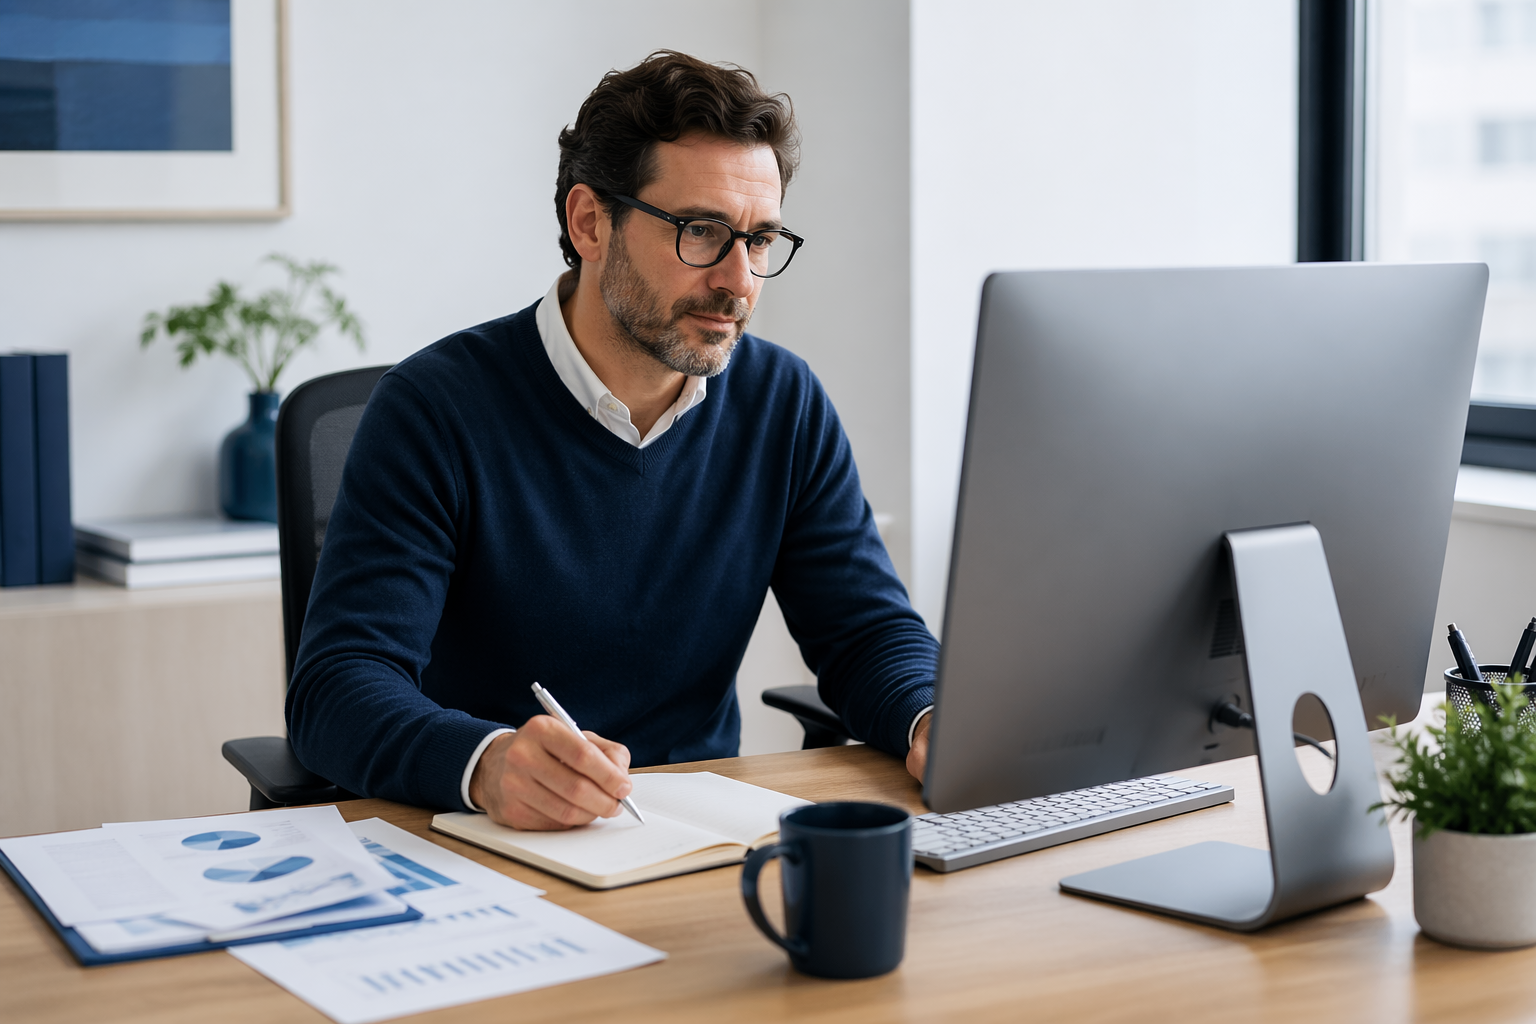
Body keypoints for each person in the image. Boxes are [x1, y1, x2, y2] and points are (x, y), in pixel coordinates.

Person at [287, 50, 939, 831]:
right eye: (702, 232)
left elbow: (866, 632)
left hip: (696, 840)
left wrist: (931, 719)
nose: (739, 280)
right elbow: (338, 685)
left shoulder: (781, 401)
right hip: (483, 843)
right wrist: (487, 764)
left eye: (760, 240)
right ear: (590, 222)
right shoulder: (435, 407)